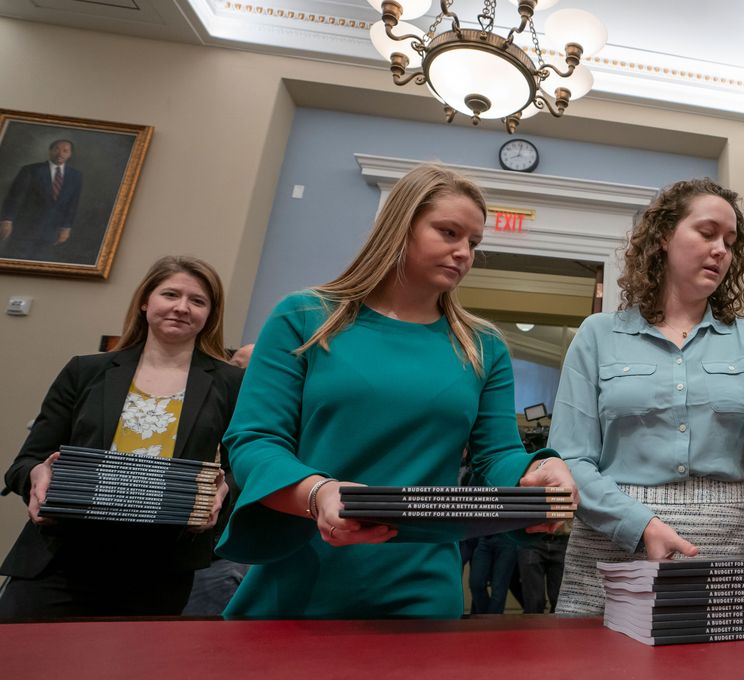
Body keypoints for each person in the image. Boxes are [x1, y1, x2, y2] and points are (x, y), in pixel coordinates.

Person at [216, 163, 576, 619]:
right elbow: (255, 442)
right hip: (302, 574)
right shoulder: (306, 317)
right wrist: (318, 493)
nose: (464, 252)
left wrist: (539, 470)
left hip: (422, 585)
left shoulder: (482, 346)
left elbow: (494, 458)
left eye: (474, 243)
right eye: (449, 232)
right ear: (400, 227)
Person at [548, 178, 744, 634]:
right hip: (610, 549)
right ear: (663, 237)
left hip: (726, 543)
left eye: (730, 242)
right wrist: (640, 524)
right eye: (707, 233)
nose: (721, 251)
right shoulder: (597, 335)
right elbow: (571, 458)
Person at [0, 256, 241, 620]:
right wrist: (35, 476)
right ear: (145, 300)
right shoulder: (85, 371)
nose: (181, 307)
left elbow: (244, 471)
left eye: (197, 300)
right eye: (170, 294)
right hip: (61, 559)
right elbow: (26, 463)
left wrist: (222, 495)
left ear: (211, 314)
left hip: (160, 571)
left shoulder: (231, 384)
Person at [182, 344, 256, 617]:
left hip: (221, 551)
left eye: (250, 369)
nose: (240, 375)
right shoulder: (207, 399)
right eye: (236, 365)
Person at [0, 139, 83, 260]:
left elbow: (73, 204)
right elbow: (15, 197)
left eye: (65, 151)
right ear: (50, 151)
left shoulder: (76, 176)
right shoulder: (30, 170)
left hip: (52, 232)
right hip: (25, 229)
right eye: (57, 149)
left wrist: (66, 227)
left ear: (70, 154)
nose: (60, 154)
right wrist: (7, 220)